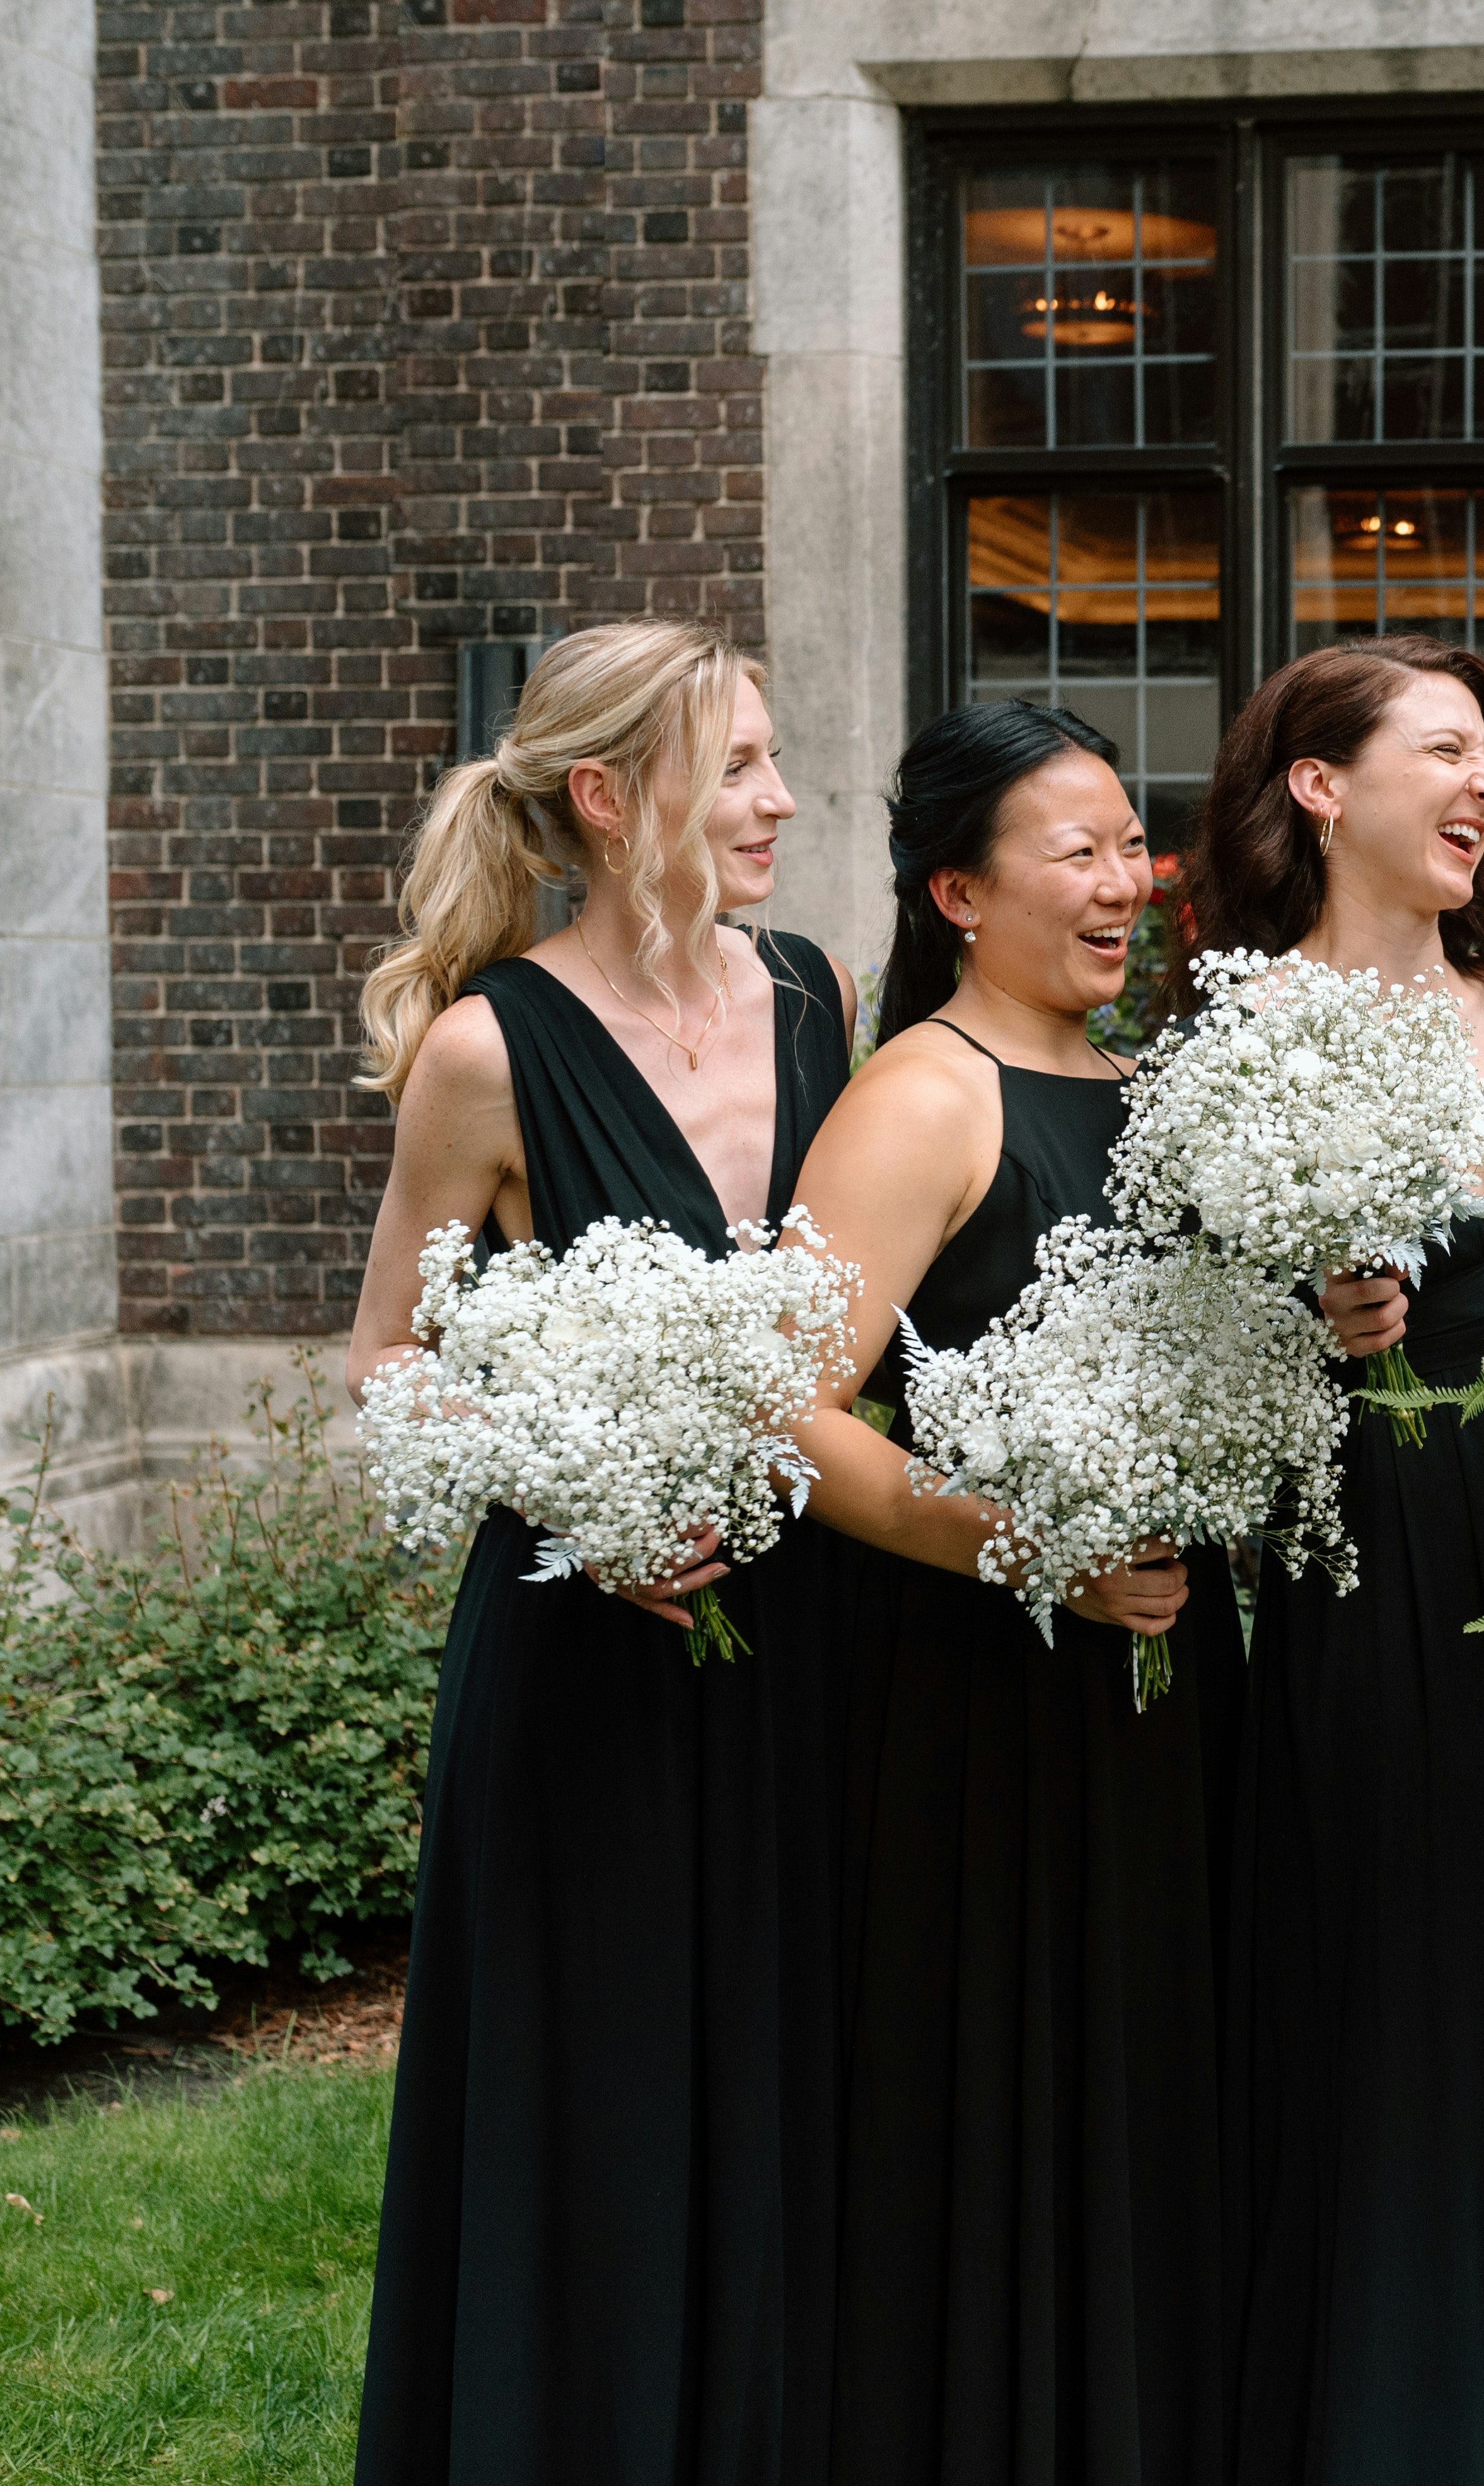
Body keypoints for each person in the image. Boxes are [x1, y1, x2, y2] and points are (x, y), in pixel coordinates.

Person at [349, 620, 854, 2486]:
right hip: (586, 1664)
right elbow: (387, 1355)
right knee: (607, 2105)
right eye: (740, 768)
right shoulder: (487, 1052)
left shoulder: (819, 993)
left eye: (774, 760)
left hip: (818, 1637)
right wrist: (584, 1503)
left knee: (798, 2082)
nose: (781, 800)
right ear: (609, 796)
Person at [777, 698, 1240, 2483]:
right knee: (1000, 2103)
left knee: (1148, 2090)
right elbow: (786, 1406)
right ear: (960, 893)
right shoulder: (922, 1097)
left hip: (1173, 1686)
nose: (1129, 881)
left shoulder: (1154, 1091)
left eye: (1133, 844)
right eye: (1080, 852)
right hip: (982, 1707)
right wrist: (1021, 1545)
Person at [1184, 639, 1484, 2486]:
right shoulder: (1230, 1034)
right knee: (1388, 1980)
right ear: (1323, 786)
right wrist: (1298, 1320)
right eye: (1448, 746)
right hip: (1350, 1566)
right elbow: (1168, 1323)